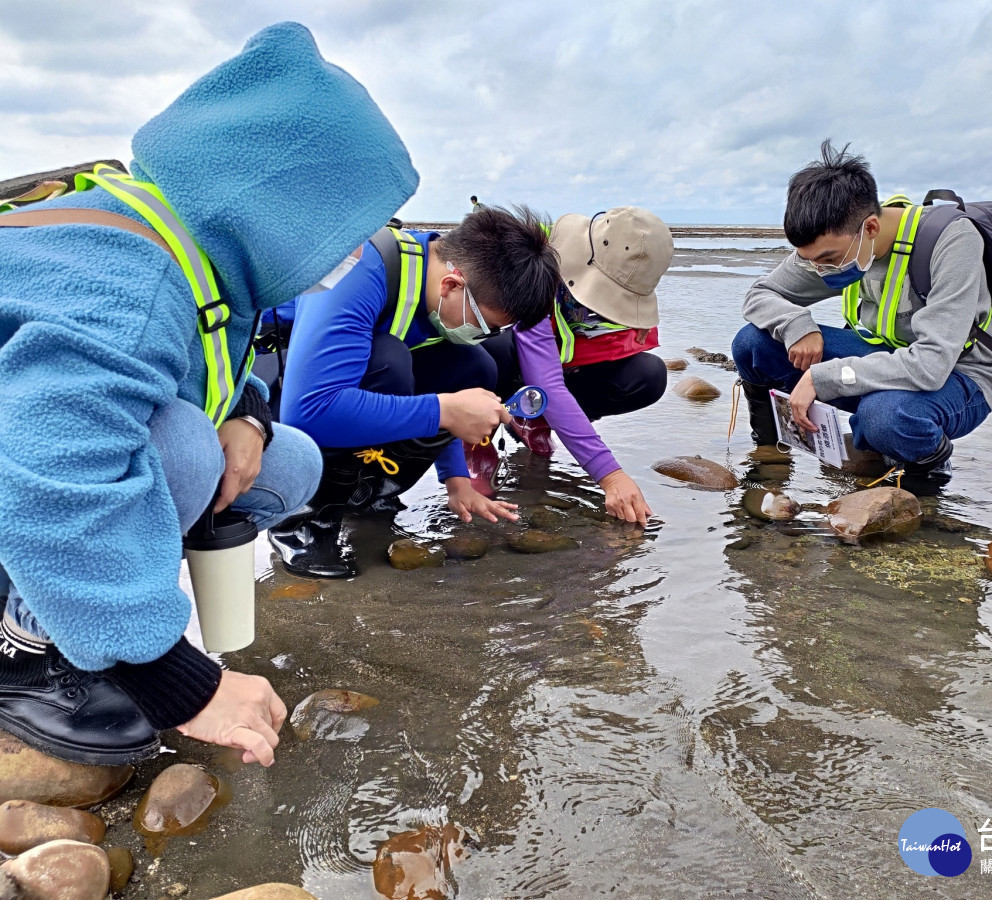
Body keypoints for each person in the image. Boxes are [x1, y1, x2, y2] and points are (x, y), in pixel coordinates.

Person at [0, 22, 418, 767]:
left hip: (31, 457)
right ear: (285, 203)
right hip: (28, 476)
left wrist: (252, 416)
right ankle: (23, 653)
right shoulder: (132, 273)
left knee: (285, 459)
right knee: (183, 451)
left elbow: (206, 372)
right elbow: (49, 468)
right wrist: (181, 685)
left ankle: (99, 614)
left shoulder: (203, 255)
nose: (355, 253)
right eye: (347, 229)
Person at [267, 207, 560, 579]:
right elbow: (309, 409)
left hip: (329, 388)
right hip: (272, 384)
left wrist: (457, 480)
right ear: (452, 286)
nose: (487, 334)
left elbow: (447, 388)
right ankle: (302, 521)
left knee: (477, 368)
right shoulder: (363, 271)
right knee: (388, 361)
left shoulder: (436, 280)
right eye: (487, 325)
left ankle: (369, 491)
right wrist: (443, 411)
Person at [731, 141, 992, 482]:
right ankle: (771, 458)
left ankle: (927, 469)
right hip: (883, 356)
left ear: (871, 228)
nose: (818, 271)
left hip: (958, 375)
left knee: (884, 418)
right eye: (808, 260)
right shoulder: (835, 244)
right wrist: (796, 325)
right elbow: (759, 295)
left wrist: (823, 378)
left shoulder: (952, 241)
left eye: (827, 259)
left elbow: (932, 364)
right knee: (752, 343)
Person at [476, 207, 673, 525]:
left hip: (556, 368)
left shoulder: (627, 274)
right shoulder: (532, 260)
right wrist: (610, 475)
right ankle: (476, 436)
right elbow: (548, 381)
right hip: (502, 357)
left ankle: (529, 419)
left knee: (649, 375)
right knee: (490, 352)